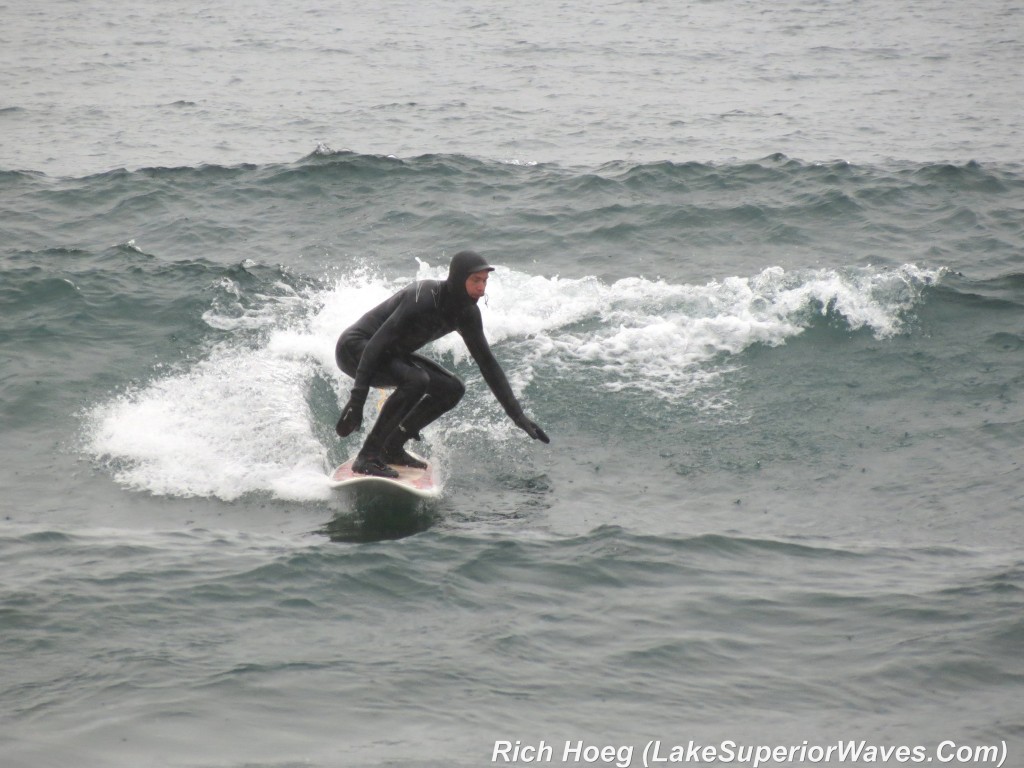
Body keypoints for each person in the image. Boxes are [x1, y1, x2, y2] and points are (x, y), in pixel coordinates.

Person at [335, 250, 550, 477]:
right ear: (458, 279)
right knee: (417, 380)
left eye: (485, 281)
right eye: (475, 280)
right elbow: (373, 348)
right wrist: (356, 401)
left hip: (390, 354)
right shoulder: (422, 298)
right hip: (355, 349)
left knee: (451, 388)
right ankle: (368, 456)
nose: (481, 288)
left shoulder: (467, 313)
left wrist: (517, 415)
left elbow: (487, 363)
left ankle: (391, 447)